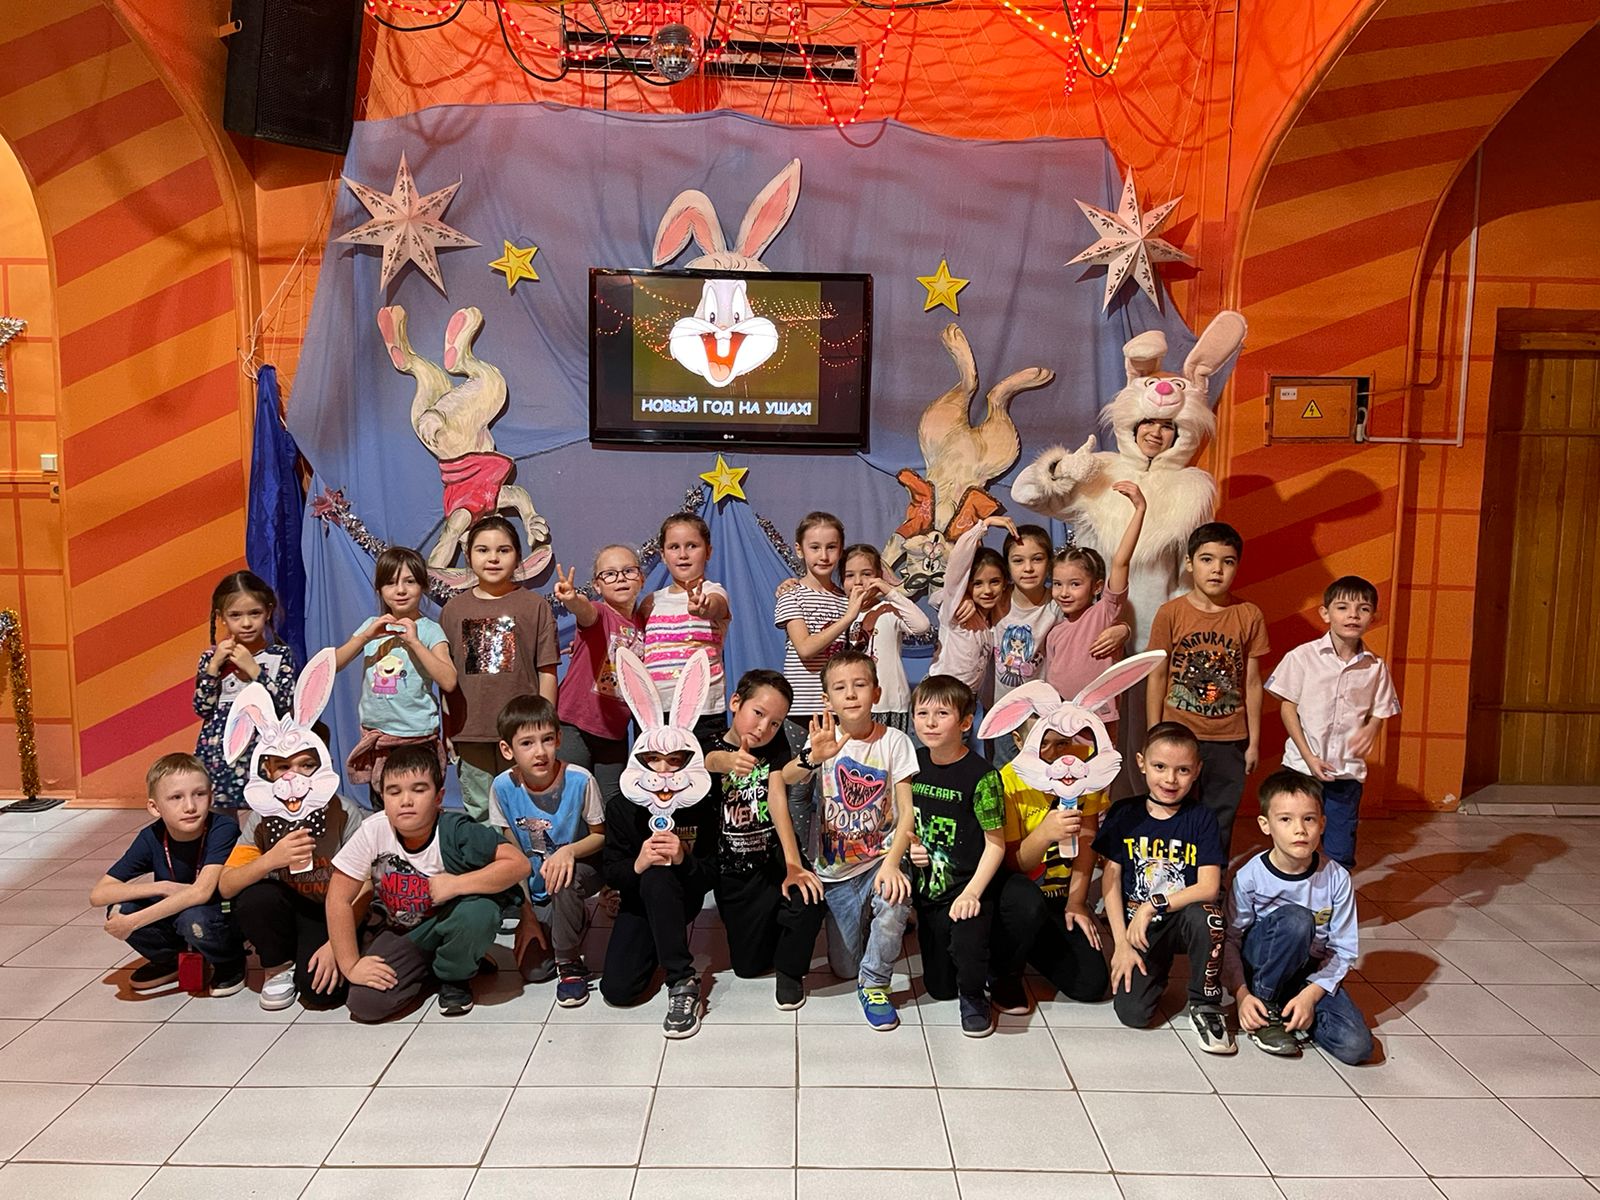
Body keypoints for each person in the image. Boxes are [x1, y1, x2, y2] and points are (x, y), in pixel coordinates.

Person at [325, 744, 530, 1019]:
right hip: (403, 930)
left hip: (451, 919)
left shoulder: (456, 830)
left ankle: (454, 977)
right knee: (365, 1003)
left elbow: (518, 864)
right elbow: (337, 898)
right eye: (394, 792)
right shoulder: (373, 830)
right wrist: (350, 965)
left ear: (438, 797)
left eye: (418, 790)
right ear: (383, 797)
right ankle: (434, 967)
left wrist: (455, 884)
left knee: (479, 912)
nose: (405, 800)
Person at [772, 650, 917, 1031]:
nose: (851, 694)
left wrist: (892, 863)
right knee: (844, 968)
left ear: (876, 692)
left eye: (860, 685)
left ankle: (875, 985)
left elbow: (907, 811)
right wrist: (811, 758)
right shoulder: (823, 740)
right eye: (840, 688)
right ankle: (875, 933)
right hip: (834, 873)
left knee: (894, 899)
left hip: (879, 861)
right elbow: (784, 779)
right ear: (827, 699)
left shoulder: (896, 741)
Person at [1092, 722, 1233, 1054]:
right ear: (1141, 763)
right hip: (1139, 930)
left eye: (1182, 770)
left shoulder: (1202, 818)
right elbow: (1110, 881)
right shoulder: (1124, 813)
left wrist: (1152, 904)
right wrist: (1121, 944)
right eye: (1160, 767)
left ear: (1197, 770)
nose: (1170, 779)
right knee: (1134, 1014)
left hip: (1181, 919)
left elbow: (1209, 886)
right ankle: (1156, 970)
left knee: (1208, 917)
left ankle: (1205, 1002)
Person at [1224, 769, 1372, 1064]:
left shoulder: (1337, 878)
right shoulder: (1250, 876)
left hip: (1308, 974)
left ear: (1323, 824)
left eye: (1309, 819)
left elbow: (1343, 950)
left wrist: (1311, 996)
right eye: (1285, 819)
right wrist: (1241, 994)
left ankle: (1292, 1009)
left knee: (1356, 1047)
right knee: (1298, 919)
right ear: (1265, 825)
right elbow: (1230, 939)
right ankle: (1265, 1006)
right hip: (1260, 968)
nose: (1300, 830)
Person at [1144, 522, 1269, 854]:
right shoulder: (1170, 613)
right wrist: (1154, 733)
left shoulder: (1249, 615)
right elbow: (1156, 676)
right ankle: (1171, 874)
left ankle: (1213, 877)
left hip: (1229, 738)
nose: (1217, 569)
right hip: (1178, 733)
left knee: (1219, 817)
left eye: (1227, 561)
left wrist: (1254, 742)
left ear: (1237, 566)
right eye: (1207, 559)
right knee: (1171, 809)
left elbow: (1253, 682)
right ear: (1189, 563)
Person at [704, 670, 825, 1005]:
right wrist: (729, 761)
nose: (763, 728)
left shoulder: (775, 746)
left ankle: (790, 972)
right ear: (735, 702)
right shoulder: (709, 741)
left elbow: (777, 797)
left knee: (809, 896)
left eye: (775, 722)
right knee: (748, 966)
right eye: (758, 713)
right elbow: (709, 759)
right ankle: (773, 926)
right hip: (733, 871)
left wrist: (793, 863)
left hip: (771, 858)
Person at [1265, 575, 1400, 869]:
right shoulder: (1302, 657)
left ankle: (1335, 894)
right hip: (1302, 768)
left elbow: (1381, 708)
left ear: (1374, 618)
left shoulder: (1375, 667)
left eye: (1363, 609)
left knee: (1340, 846)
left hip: (1346, 771)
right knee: (1296, 840)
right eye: (1343, 607)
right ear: (1325, 613)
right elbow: (1288, 706)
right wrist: (1308, 756)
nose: (1353, 615)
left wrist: (1371, 728)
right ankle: (1294, 890)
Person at [219, 747, 367, 1011]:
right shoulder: (262, 817)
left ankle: (311, 954)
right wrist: (270, 859)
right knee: (255, 897)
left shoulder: (345, 812)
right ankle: (278, 966)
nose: (293, 777)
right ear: (269, 772)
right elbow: (226, 885)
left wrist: (336, 944)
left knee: (321, 992)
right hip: (287, 908)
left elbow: (365, 888)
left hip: (332, 912)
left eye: (306, 765)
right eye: (283, 767)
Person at [89, 754, 246, 996]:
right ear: (155, 807)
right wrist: (162, 887)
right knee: (119, 909)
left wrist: (133, 923)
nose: (190, 806)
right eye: (176, 797)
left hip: (218, 913)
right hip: (177, 912)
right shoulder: (151, 836)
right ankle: (170, 959)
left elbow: (202, 892)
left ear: (211, 796)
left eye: (199, 794)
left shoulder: (222, 828)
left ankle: (229, 961)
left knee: (193, 919)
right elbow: (99, 894)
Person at [598, 736, 720, 1038]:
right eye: (653, 759)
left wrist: (683, 859)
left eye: (674, 760)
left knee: (659, 875)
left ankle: (682, 980)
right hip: (637, 900)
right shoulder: (621, 808)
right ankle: (661, 943)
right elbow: (611, 871)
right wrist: (637, 864)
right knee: (618, 991)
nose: (663, 770)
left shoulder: (702, 805)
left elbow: (711, 875)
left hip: (684, 895)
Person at [441, 515, 560, 823]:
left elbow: (547, 670)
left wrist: (543, 726)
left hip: (523, 731)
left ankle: (526, 857)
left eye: (503, 550)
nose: (493, 558)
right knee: (481, 811)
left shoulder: (534, 606)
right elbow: (445, 677)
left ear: (518, 556)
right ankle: (489, 856)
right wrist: (448, 729)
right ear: (468, 556)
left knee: (526, 809)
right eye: (483, 550)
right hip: (470, 732)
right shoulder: (453, 610)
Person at [907, 675, 1007, 1037]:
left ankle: (975, 994)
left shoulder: (983, 776)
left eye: (942, 714)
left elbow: (996, 844)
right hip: (929, 892)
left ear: (965, 723)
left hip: (967, 888)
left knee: (968, 948)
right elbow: (901, 822)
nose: (930, 723)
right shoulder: (912, 764)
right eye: (922, 714)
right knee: (939, 988)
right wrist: (911, 847)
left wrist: (972, 892)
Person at [491, 694, 606, 1008]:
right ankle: (570, 918)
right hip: (535, 882)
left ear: (559, 739)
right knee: (535, 971)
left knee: (562, 878)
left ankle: (569, 964)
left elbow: (599, 837)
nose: (540, 752)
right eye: (527, 743)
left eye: (547, 740)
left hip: (579, 869)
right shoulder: (502, 787)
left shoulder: (580, 780)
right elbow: (513, 856)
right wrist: (526, 914)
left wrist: (568, 852)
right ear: (508, 750)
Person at [993, 716, 1112, 1013]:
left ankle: (1031, 943)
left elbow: (1088, 841)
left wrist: (1077, 902)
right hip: (1019, 893)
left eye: (1062, 743)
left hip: (1058, 899)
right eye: (1042, 744)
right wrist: (1045, 833)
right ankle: (1003, 973)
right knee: (1025, 903)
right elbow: (1013, 863)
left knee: (1091, 984)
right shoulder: (1008, 781)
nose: (1053, 754)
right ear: (1019, 741)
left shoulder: (1084, 768)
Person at [336, 545, 456, 808]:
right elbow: (332, 665)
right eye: (390, 582)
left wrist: (415, 642)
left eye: (410, 581)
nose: (400, 590)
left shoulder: (430, 630)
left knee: (418, 808)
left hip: (416, 738)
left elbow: (448, 680)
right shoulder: (370, 627)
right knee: (385, 809)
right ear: (379, 589)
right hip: (378, 740)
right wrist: (365, 637)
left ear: (423, 586)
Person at [1043, 481, 1146, 744]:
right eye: (1058, 584)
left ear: (1097, 587)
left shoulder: (1104, 614)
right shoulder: (1054, 633)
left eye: (1075, 584)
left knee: (1097, 770)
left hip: (1098, 721)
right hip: (1062, 723)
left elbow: (1121, 562)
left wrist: (1139, 509)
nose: (1064, 592)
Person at [774, 512, 854, 845]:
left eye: (831, 547)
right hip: (799, 710)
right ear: (799, 550)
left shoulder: (845, 598)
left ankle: (830, 857)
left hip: (836, 710)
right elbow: (806, 648)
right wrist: (848, 617)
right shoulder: (791, 595)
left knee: (834, 785)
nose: (823, 555)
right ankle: (798, 858)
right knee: (799, 786)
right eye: (815, 547)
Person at [193, 571, 296, 810]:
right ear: (221, 617)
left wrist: (255, 670)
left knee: (267, 813)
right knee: (220, 820)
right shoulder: (211, 659)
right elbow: (202, 707)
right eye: (235, 615)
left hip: (264, 753)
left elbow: (284, 705)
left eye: (255, 613)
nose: (246, 623)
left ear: (268, 612)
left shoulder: (280, 655)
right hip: (219, 757)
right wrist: (213, 667)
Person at [552, 544, 645, 800]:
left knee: (611, 802)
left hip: (614, 733)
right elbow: (585, 610)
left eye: (628, 571)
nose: (621, 579)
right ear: (597, 585)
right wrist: (572, 599)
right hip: (574, 725)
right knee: (572, 795)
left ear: (641, 578)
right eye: (610, 574)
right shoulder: (601, 614)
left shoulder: (645, 624)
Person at [638, 511, 731, 737]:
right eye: (674, 547)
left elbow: (715, 606)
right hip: (655, 712)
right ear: (663, 555)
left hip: (703, 710)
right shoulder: (651, 601)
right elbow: (633, 640)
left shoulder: (714, 592)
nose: (683, 555)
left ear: (708, 551)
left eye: (692, 546)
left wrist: (703, 607)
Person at [840, 543, 931, 734]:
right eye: (849, 575)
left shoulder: (888, 610)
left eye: (866, 574)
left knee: (892, 751)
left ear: (879, 576)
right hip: (852, 703)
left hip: (890, 704)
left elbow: (922, 626)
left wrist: (890, 593)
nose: (858, 582)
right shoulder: (840, 613)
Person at [989, 523, 1060, 765]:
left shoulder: (1057, 603)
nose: (1028, 568)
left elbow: (1092, 620)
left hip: (1042, 711)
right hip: (1003, 710)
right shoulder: (997, 599)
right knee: (1005, 772)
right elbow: (951, 592)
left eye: (1037, 559)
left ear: (1049, 563)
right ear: (1007, 566)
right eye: (1018, 561)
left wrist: (1122, 629)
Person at [929, 515, 1011, 701]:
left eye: (995, 582)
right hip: (941, 695)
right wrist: (984, 525)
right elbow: (956, 569)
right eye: (977, 584)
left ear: (1005, 583)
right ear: (966, 585)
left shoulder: (990, 619)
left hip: (969, 700)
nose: (987, 591)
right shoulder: (957, 612)